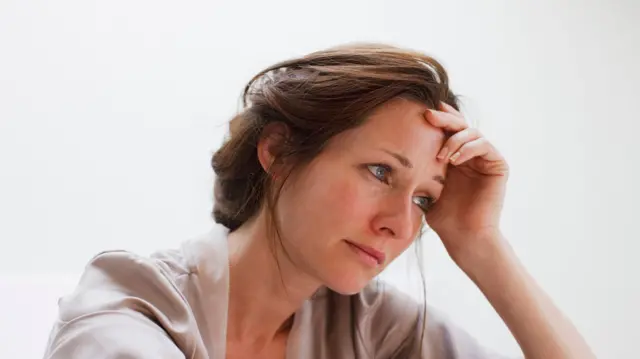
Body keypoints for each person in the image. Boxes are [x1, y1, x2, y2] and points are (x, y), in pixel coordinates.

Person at [43, 44, 594, 359]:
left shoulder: (376, 327)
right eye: (381, 172)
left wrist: (481, 245)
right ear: (279, 152)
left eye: (425, 200)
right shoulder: (130, 307)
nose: (399, 224)